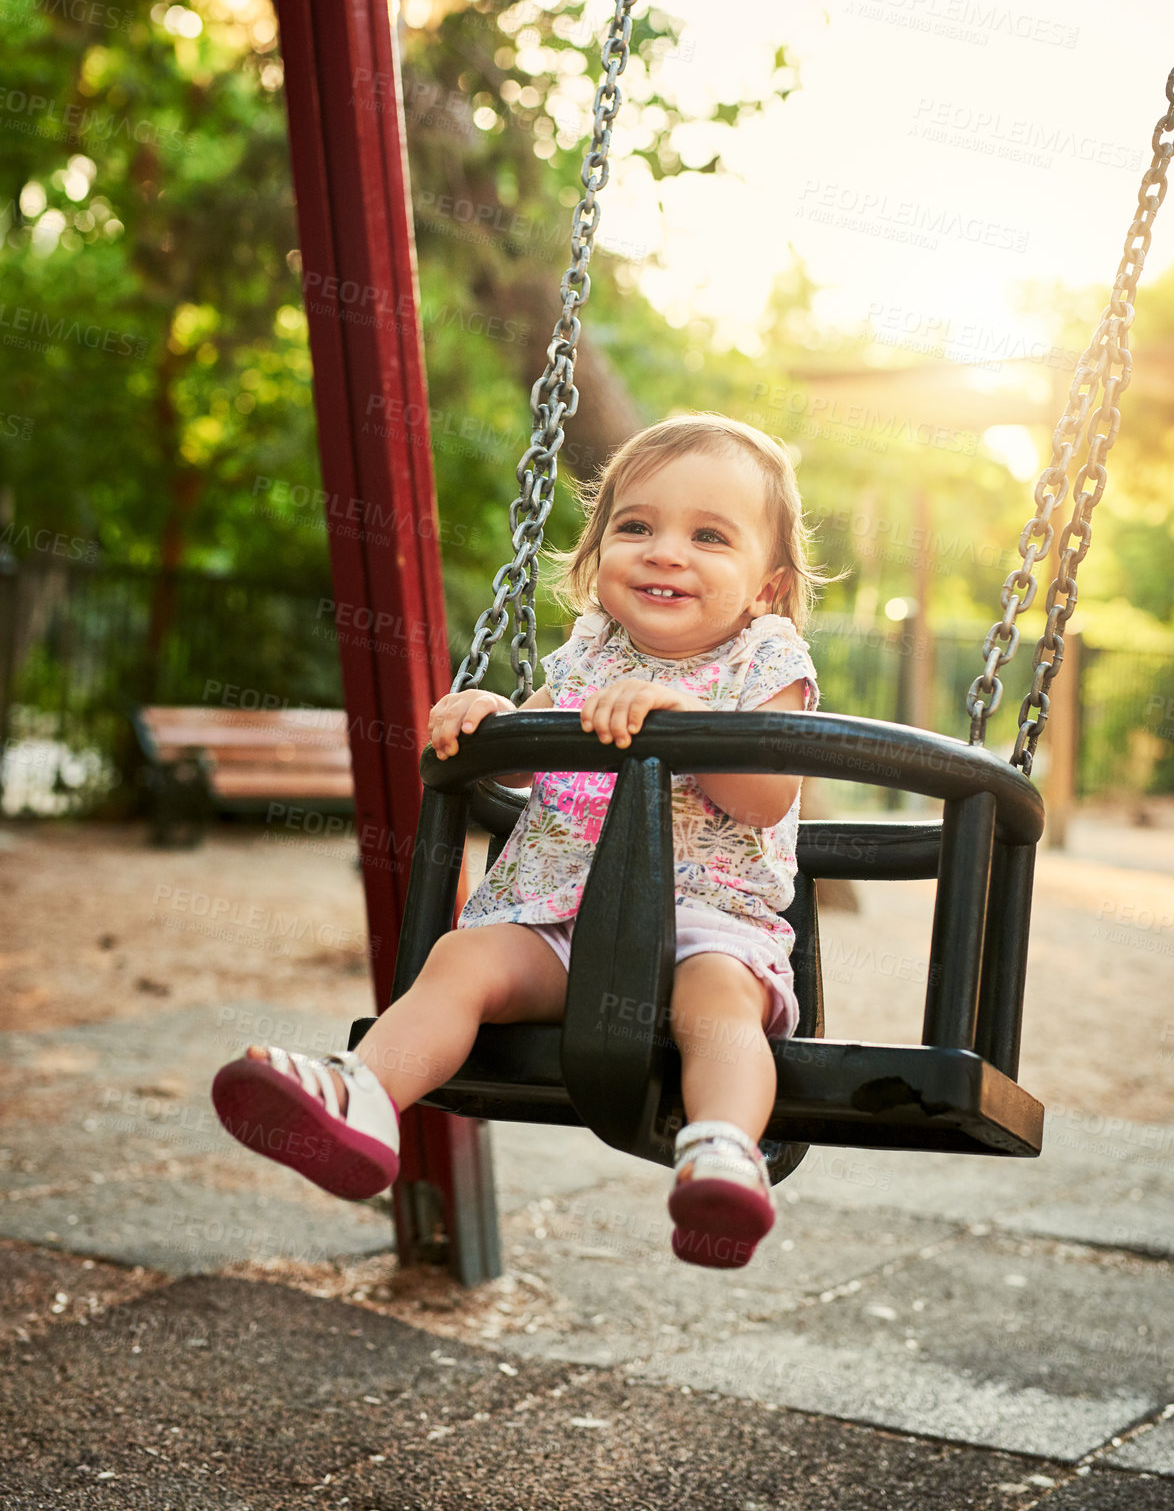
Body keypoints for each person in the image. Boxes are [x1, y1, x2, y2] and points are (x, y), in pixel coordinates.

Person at [212, 413, 822, 1269]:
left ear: (765, 585)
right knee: (461, 962)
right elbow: (529, 765)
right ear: (595, 552)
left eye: (709, 536)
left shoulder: (767, 657)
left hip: (705, 926)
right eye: (635, 526)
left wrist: (690, 721)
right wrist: (490, 718)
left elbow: (764, 797)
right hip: (555, 924)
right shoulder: (587, 654)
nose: (664, 551)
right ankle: (362, 1099)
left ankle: (722, 1156)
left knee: (717, 1006)